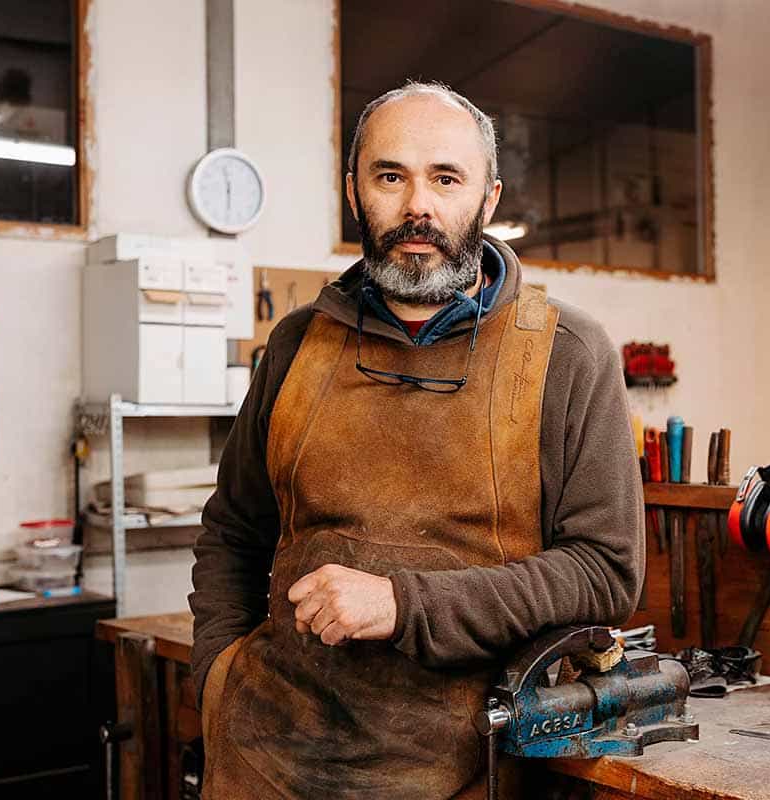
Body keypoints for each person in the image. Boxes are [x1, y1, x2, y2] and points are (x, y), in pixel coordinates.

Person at [189, 81, 644, 799]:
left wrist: (405, 604)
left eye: (445, 178)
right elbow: (233, 529)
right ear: (354, 191)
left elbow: (604, 571)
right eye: (390, 175)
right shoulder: (298, 344)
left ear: (488, 199)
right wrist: (218, 670)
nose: (417, 207)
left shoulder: (566, 353)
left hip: (462, 766)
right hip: (265, 757)